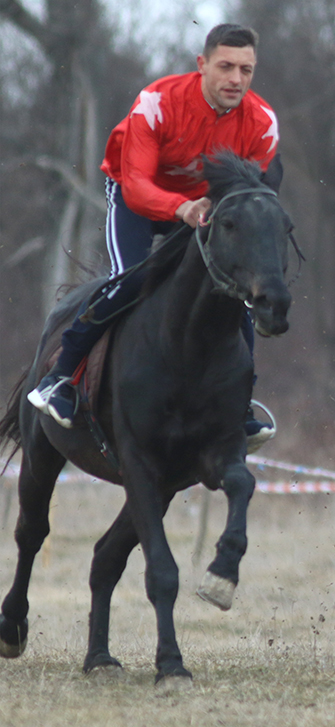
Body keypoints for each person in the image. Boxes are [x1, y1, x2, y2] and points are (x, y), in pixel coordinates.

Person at [29, 23, 281, 452]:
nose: (236, 80)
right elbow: (137, 187)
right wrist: (180, 208)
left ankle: (240, 405)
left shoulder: (263, 124)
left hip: (202, 207)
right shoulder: (157, 103)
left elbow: (244, 199)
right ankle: (61, 378)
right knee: (131, 281)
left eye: (246, 70)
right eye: (225, 67)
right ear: (202, 65)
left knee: (234, 293)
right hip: (136, 198)